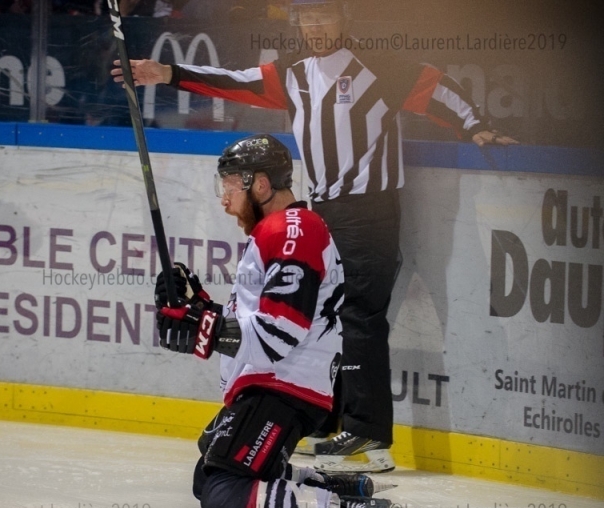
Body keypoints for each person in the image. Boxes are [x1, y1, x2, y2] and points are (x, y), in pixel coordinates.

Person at [114, 0, 517, 473]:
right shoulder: (294, 73)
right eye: (307, 17)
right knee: (320, 314)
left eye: (324, 15)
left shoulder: (377, 65)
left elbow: (436, 87)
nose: (316, 25)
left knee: (360, 314)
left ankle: (367, 435)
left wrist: (477, 126)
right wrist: (166, 74)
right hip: (324, 209)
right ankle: (326, 420)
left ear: (345, 16)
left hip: (370, 209)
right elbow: (236, 81)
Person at [152, 133, 417, 508]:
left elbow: (278, 335)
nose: (223, 199)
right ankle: (334, 487)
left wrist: (200, 331)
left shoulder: (293, 228)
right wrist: (199, 307)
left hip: (283, 386)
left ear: (259, 184)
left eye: (229, 186)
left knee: (224, 496)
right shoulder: (279, 231)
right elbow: (256, 321)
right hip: (276, 384)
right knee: (207, 474)